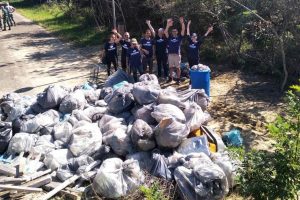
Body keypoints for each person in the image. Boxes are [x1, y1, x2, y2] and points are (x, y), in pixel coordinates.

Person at [164, 17, 185, 84]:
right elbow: (165, 32)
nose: (174, 32)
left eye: (175, 31)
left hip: (177, 54)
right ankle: (171, 78)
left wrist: (182, 23)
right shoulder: (169, 37)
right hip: (170, 54)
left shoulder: (179, 37)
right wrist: (168, 24)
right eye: (173, 31)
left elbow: (183, 29)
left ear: (177, 32)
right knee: (170, 67)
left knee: (178, 68)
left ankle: (178, 79)